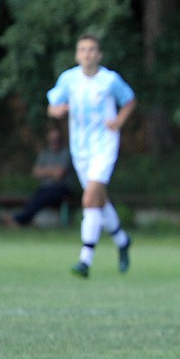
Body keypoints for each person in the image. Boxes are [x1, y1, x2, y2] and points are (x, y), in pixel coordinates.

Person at [47, 33, 137, 278]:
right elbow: (52, 104)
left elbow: (129, 100)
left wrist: (119, 121)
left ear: (99, 55)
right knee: (99, 200)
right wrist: (56, 110)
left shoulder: (109, 80)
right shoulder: (69, 79)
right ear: (77, 55)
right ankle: (122, 240)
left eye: (91, 50)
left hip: (104, 146)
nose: (87, 54)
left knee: (89, 200)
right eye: (83, 50)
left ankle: (85, 260)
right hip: (80, 149)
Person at [5, 126, 73, 227]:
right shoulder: (45, 153)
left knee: (43, 197)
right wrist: (52, 171)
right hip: (45, 188)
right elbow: (36, 172)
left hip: (62, 189)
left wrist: (45, 171)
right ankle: (21, 219)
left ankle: (19, 219)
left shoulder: (65, 153)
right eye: (52, 139)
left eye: (56, 139)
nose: (54, 141)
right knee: (35, 198)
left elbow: (59, 174)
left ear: (60, 139)